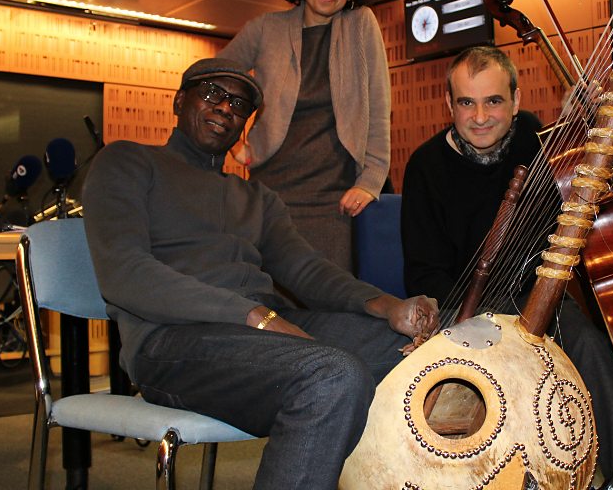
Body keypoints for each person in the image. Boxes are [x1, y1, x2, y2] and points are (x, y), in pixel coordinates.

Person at [82, 57, 438, 490]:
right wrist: (256, 317)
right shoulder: (127, 162)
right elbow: (125, 273)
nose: (225, 107)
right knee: (332, 375)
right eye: (211, 93)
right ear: (178, 101)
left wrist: (388, 306)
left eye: (238, 104)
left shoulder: (255, 196)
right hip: (169, 340)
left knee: (405, 352)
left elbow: (306, 270)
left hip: (254, 333)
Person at [400, 45, 613, 490]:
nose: (479, 116)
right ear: (449, 104)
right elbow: (423, 272)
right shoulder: (425, 165)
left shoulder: (539, 144)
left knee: (588, 345)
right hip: (461, 310)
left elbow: (585, 200)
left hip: (535, 296)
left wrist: (585, 129)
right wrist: (473, 322)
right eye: (466, 102)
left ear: (516, 100)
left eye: (493, 101)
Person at [217, 0, 390, 272]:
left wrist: (371, 181)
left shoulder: (361, 25)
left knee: (331, 292)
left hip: (334, 197)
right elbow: (211, 78)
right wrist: (233, 142)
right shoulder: (266, 28)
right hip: (271, 190)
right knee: (269, 291)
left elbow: (379, 107)